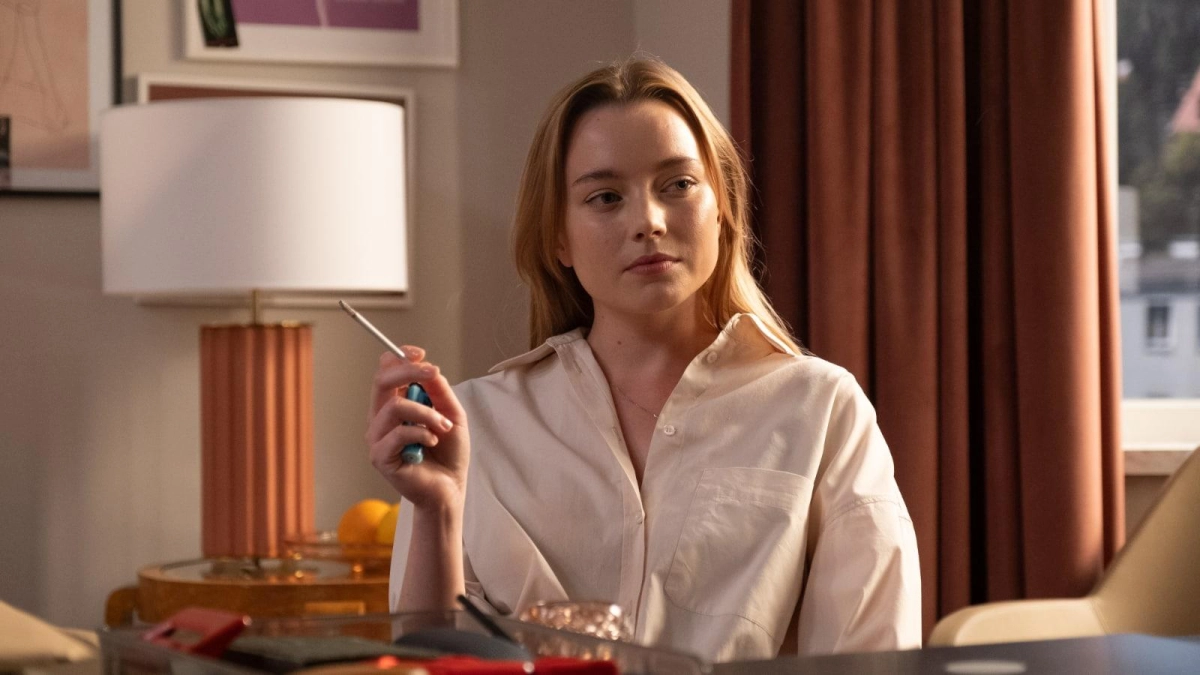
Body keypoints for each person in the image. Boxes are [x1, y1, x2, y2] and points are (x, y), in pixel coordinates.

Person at [366, 58, 921, 662]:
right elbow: (426, 666)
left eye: (678, 185)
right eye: (605, 197)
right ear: (558, 237)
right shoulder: (473, 424)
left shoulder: (822, 409)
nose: (648, 222)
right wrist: (436, 510)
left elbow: (873, 657)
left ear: (721, 204)